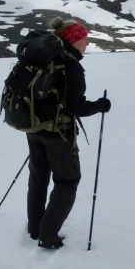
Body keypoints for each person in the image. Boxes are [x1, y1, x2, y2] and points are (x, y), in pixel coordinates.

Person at [27, 17, 111, 249]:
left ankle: (35, 228)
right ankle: (48, 235)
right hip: (59, 132)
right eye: (84, 38)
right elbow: (76, 108)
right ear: (73, 40)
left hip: (34, 127)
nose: (87, 42)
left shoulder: (44, 58)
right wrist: (100, 106)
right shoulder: (70, 64)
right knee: (67, 180)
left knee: (38, 177)